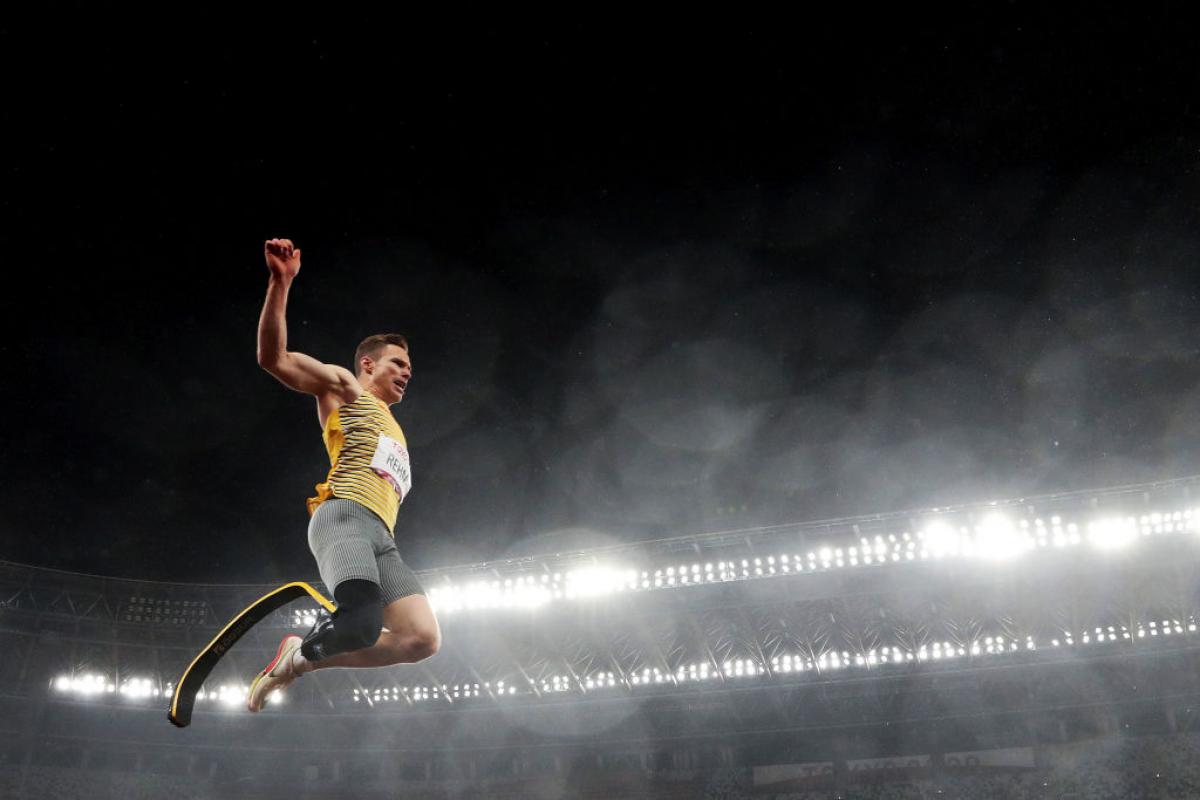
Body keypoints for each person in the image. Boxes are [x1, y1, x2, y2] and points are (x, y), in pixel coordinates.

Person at [246, 237, 441, 712]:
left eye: (410, 366)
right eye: (398, 362)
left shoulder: (394, 428)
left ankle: (299, 660)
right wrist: (281, 282)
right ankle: (303, 653)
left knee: (421, 639)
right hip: (345, 518)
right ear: (368, 364)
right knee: (359, 625)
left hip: (383, 538)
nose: (407, 372)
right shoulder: (347, 389)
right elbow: (275, 359)